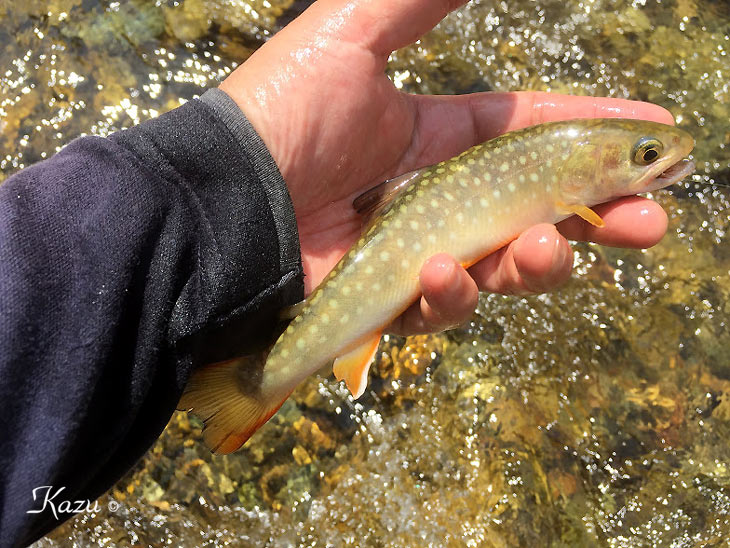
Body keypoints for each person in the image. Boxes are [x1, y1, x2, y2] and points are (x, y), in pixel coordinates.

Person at [0, 0, 674, 545]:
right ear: (581, 175)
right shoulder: (566, 183)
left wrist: (211, 204)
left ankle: (271, 370)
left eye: (645, 157)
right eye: (645, 156)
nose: (654, 163)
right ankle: (260, 381)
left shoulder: (566, 179)